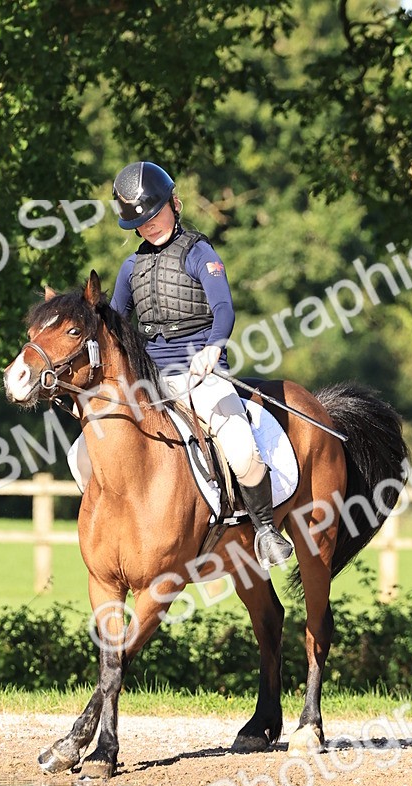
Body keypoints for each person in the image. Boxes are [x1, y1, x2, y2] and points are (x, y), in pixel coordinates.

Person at [109, 160, 293, 570]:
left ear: (174, 204)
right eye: (140, 221)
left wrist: (213, 347)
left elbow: (223, 308)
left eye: (155, 214)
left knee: (242, 450)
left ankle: (264, 530)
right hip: (151, 383)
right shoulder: (129, 268)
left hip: (200, 374)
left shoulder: (199, 253)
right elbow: (114, 325)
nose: (149, 225)